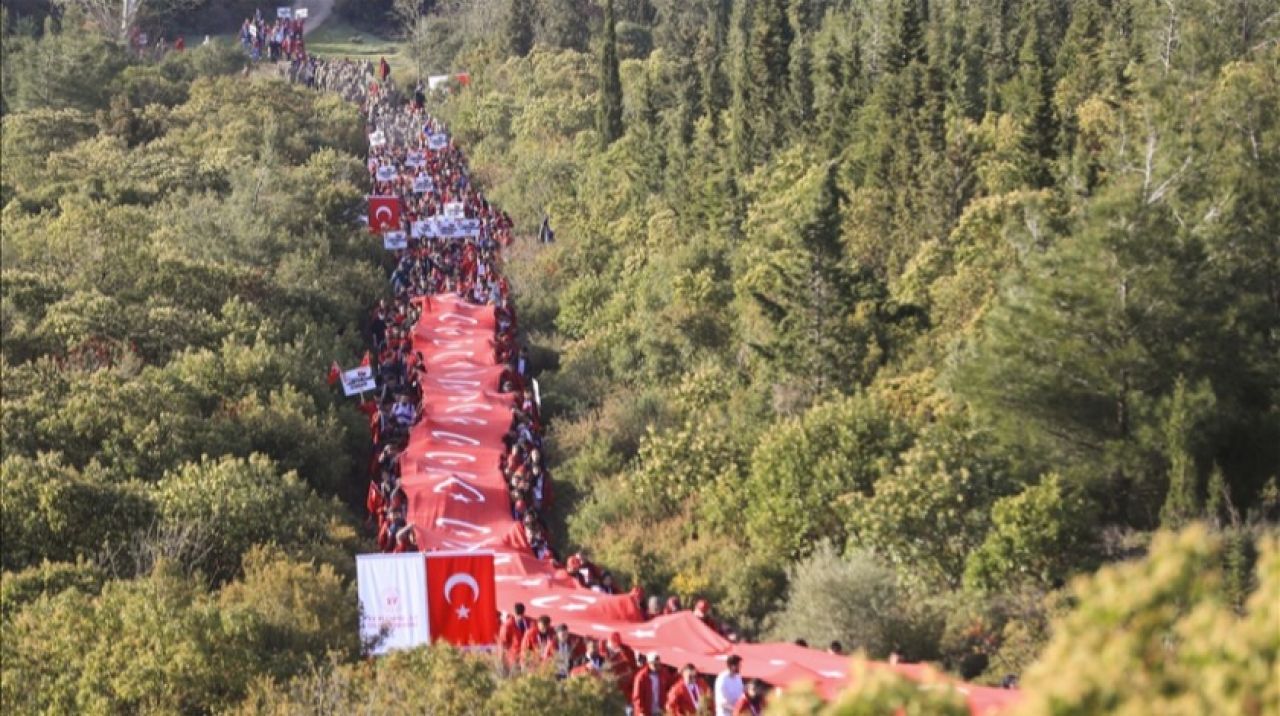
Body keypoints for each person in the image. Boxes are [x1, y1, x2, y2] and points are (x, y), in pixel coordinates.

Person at [631, 651, 671, 716]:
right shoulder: (641, 677)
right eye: (654, 664)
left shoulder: (664, 673)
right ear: (649, 663)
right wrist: (640, 712)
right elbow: (637, 697)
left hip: (660, 711)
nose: (656, 666)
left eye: (658, 663)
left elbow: (670, 687)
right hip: (647, 712)